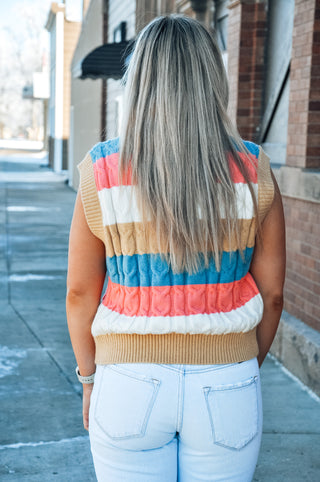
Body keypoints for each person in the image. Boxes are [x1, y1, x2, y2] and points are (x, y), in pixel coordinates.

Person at [66, 14, 285, 482]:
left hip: (126, 380)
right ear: (213, 78)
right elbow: (273, 296)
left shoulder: (100, 170)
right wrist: (240, 362)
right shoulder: (253, 168)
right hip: (227, 377)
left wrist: (89, 381)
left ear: (140, 80)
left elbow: (81, 295)